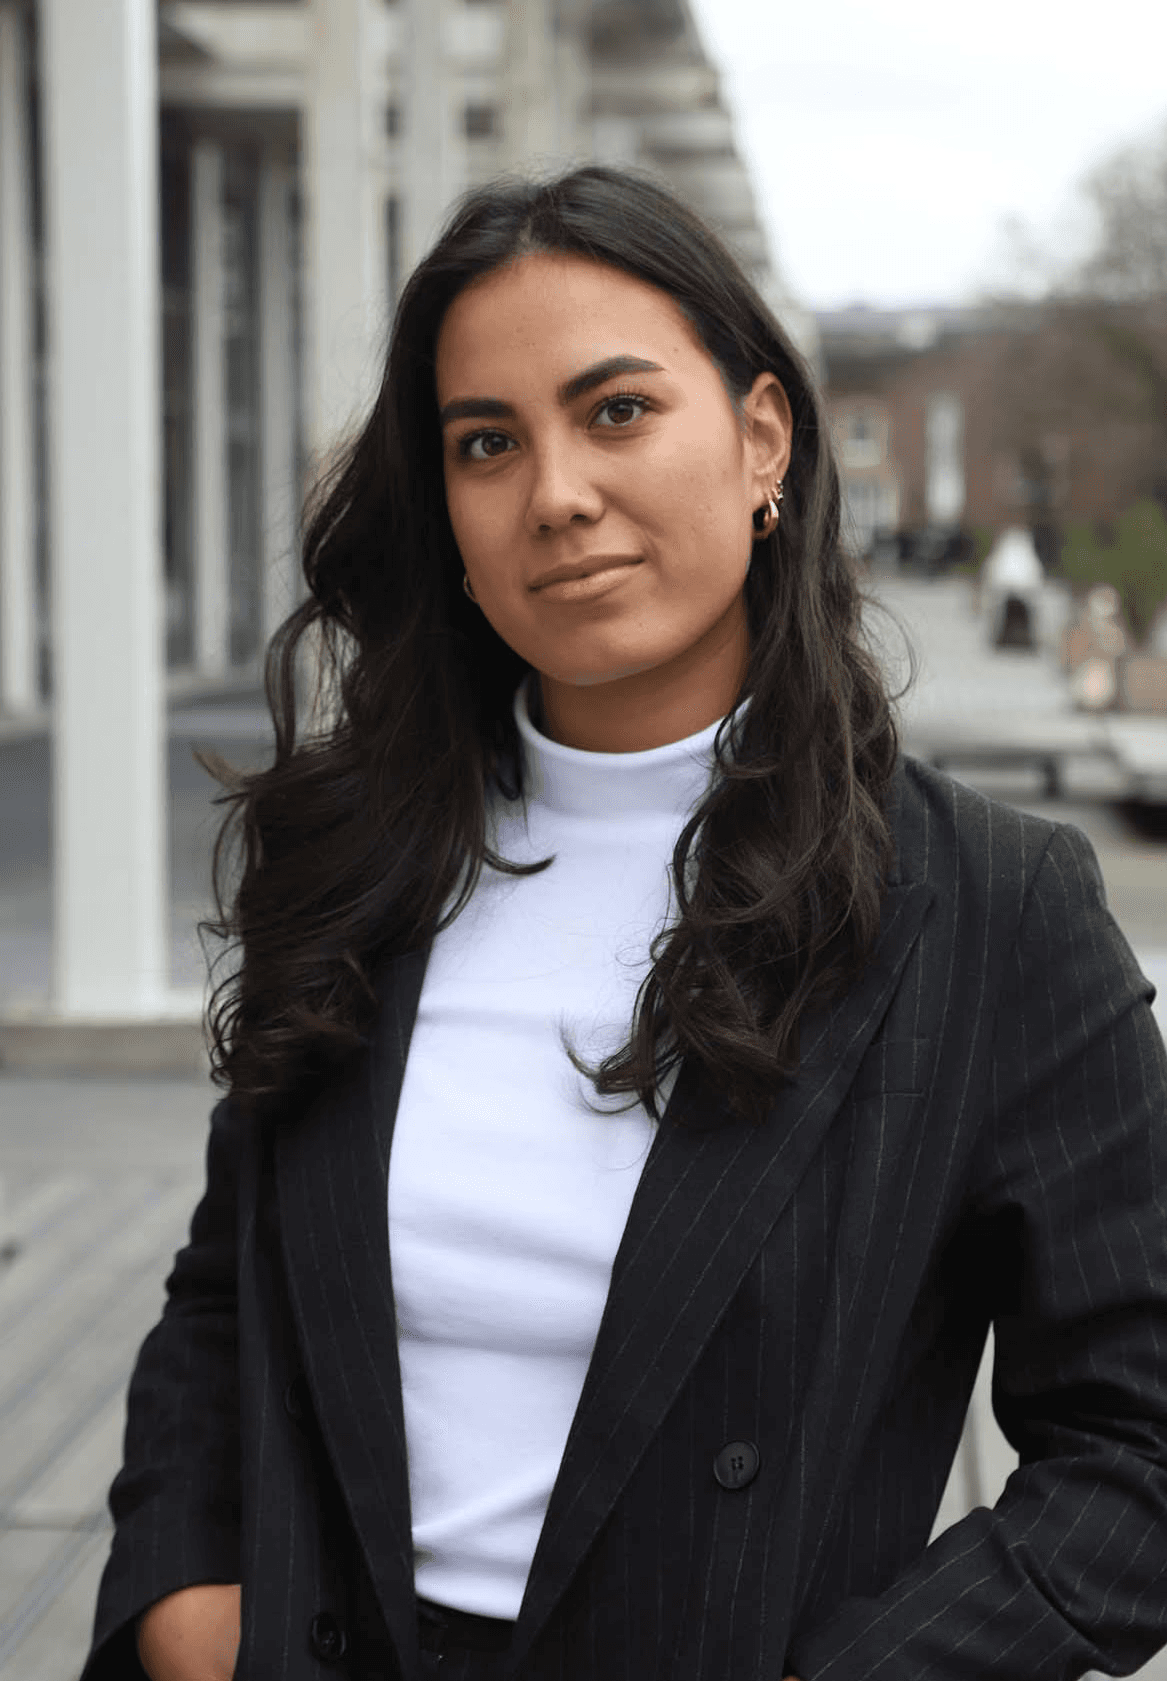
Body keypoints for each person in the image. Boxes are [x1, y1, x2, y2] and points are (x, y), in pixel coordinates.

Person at [83, 166, 1167, 1681]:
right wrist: (190, 1598)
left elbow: (1136, 1452)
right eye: (485, 443)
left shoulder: (986, 911)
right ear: (445, 508)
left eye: (616, 411)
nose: (557, 494)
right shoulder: (355, 862)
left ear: (762, 439)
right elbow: (229, 1289)